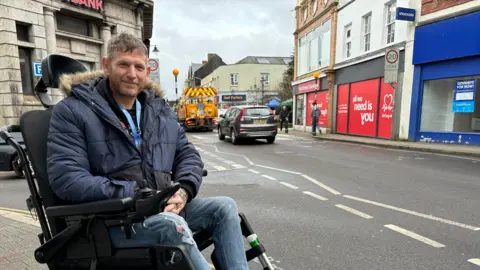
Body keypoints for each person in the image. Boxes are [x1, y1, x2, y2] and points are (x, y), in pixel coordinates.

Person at [46, 32, 248, 270]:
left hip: (162, 209)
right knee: (171, 225)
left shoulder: (159, 109)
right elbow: (67, 179)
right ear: (106, 66)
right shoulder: (71, 111)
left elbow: (187, 154)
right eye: (123, 64)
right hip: (112, 223)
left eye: (139, 67)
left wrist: (183, 191)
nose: (132, 74)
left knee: (224, 207)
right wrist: (137, 194)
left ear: (146, 71)